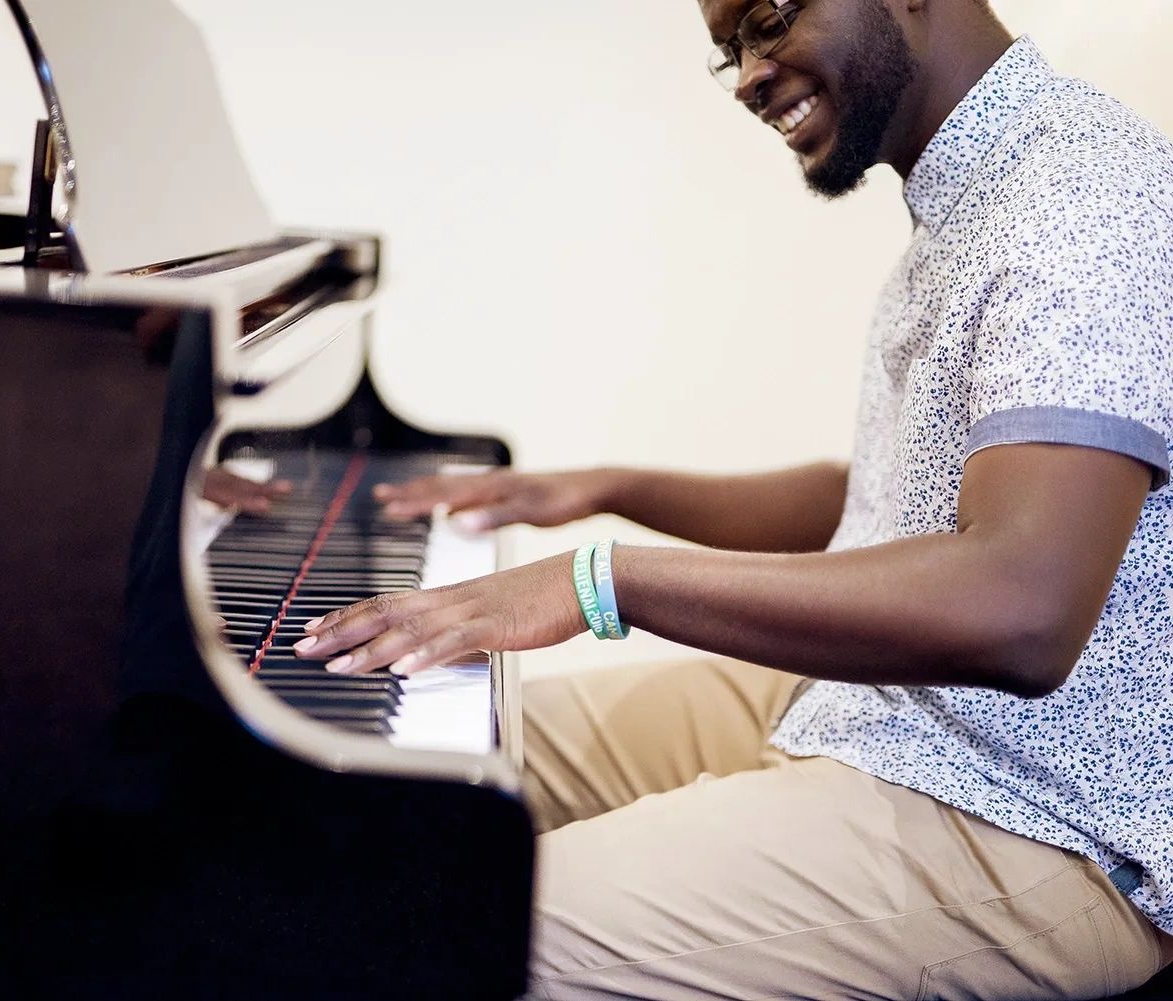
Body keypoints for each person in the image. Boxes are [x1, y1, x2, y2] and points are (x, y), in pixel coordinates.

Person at [293, 0, 1173, 996]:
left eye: (769, 17)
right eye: (731, 53)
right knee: (394, 775)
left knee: (441, 927)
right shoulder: (973, 191)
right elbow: (883, 507)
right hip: (884, 711)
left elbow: (1022, 606)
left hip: (1037, 814)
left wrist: (604, 581)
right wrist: (610, 489)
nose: (751, 74)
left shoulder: (1079, 190)